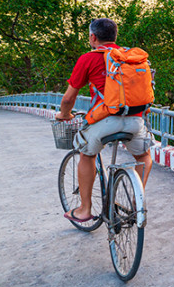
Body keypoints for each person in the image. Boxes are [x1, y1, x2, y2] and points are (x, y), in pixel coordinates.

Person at [55, 18, 153, 223]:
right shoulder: (129, 57)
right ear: (115, 37)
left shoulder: (88, 59)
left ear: (93, 37)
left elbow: (68, 98)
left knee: (86, 154)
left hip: (106, 122)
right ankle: (137, 199)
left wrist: (64, 115)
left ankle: (85, 209)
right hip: (135, 120)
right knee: (144, 156)